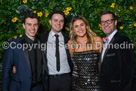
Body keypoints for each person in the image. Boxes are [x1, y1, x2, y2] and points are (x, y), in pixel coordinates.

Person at [2, 13, 48, 91]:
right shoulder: (13, 44)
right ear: (24, 25)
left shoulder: (42, 44)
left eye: (35, 24)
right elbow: (6, 72)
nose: (32, 28)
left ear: (38, 26)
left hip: (39, 88)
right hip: (19, 88)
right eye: (29, 24)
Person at [99, 10, 135, 91]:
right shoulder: (104, 41)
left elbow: (128, 71)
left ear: (115, 22)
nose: (106, 25)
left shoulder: (123, 40)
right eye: (103, 22)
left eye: (109, 21)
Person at [39, 10, 73, 91]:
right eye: (55, 20)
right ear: (50, 22)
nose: (58, 23)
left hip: (67, 79)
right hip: (49, 80)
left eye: (61, 21)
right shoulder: (42, 38)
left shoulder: (69, 38)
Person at [68, 15, 103, 91]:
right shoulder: (71, 44)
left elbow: (101, 63)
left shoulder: (97, 40)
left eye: (82, 25)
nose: (80, 28)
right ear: (73, 29)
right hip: (77, 85)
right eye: (76, 26)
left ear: (86, 26)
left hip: (95, 84)